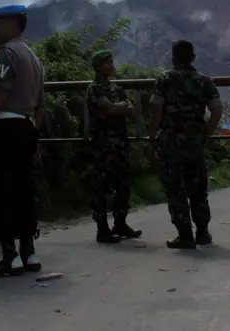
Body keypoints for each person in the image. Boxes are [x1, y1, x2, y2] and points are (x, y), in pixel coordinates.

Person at [0, 4, 46, 277]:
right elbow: (40, 105)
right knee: (24, 189)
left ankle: (9, 255)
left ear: (13, 25)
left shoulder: (7, 53)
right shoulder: (34, 59)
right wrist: (34, 137)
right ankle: (29, 252)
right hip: (27, 127)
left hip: (4, 128)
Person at [146, 40, 222, 250]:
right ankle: (203, 233)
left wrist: (152, 138)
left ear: (173, 58)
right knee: (198, 188)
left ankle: (185, 234)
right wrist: (206, 135)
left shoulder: (165, 79)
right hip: (195, 142)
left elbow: (155, 109)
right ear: (193, 58)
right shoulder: (204, 81)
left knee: (175, 188)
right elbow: (217, 110)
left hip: (171, 141)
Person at [85, 49, 142, 243]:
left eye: (111, 61)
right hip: (102, 145)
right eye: (106, 63)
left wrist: (120, 108)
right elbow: (108, 109)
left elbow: (131, 111)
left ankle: (120, 223)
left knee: (123, 184)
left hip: (120, 143)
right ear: (98, 67)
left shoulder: (116, 88)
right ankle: (102, 229)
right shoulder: (94, 89)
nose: (111, 65)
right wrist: (121, 107)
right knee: (102, 186)